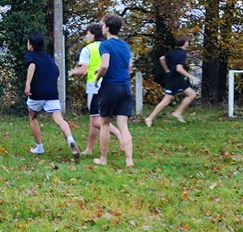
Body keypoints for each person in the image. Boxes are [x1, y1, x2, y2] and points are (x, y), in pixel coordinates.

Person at [24, 32, 81, 160]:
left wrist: (28, 85)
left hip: (37, 93)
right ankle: (70, 139)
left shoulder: (30, 55)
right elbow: (56, 71)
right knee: (59, 119)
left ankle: (39, 147)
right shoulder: (48, 58)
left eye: (28, 42)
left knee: (33, 117)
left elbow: (32, 66)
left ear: (31, 45)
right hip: (52, 93)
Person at [68, 23, 122, 156]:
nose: (86, 36)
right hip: (112, 84)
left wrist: (72, 72)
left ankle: (119, 134)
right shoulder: (108, 46)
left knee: (96, 120)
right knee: (94, 118)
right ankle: (89, 149)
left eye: (87, 34)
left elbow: (83, 70)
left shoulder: (88, 49)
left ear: (93, 35)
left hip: (95, 86)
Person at [93, 14, 134, 167]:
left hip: (110, 87)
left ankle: (103, 159)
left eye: (103, 25)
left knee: (105, 122)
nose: (102, 28)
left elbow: (105, 65)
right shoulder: (125, 46)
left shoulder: (105, 45)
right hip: (125, 87)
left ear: (108, 28)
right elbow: (128, 67)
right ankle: (129, 160)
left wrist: (97, 78)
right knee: (123, 124)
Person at [144, 36, 198, 126]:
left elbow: (161, 58)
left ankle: (178, 113)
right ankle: (150, 118)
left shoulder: (174, 52)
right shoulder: (182, 54)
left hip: (176, 79)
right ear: (185, 43)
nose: (188, 43)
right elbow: (179, 68)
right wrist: (191, 77)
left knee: (191, 94)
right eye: (187, 41)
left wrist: (166, 69)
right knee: (166, 101)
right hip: (176, 80)